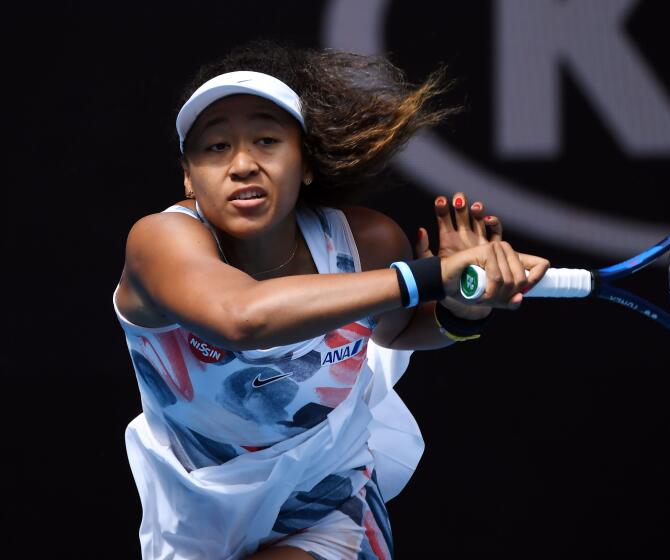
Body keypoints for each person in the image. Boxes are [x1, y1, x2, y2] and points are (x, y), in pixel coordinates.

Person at [112, 39, 549, 560]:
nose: (243, 164)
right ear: (189, 175)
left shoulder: (366, 244)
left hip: (328, 501)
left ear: (308, 164)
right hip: (195, 516)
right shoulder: (160, 242)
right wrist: (431, 274)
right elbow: (241, 317)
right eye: (216, 147)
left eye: (267, 141)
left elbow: (399, 331)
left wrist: (462, 305)